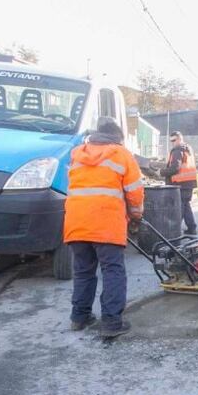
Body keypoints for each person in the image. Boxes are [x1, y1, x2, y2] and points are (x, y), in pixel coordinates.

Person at [63, 117, 144, 339]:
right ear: (118, 138)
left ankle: (79, 317)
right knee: (113, 270)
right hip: (106, 224)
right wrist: (136, 214)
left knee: (83, 271)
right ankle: (111, 322)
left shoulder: (78, 154)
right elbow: (135, 190)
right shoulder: (121, 154)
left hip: (76, 222)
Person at [160, 131, 198, 235]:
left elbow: (175, 168)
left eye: (174, 140)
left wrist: (161, 172)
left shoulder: (177, 150)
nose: (172, 142)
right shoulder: (187, 149)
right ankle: (192, 228)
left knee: (179, 208)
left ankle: (175, 230)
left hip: (180, 183)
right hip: (189, 183)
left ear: (180, 139)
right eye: (171, 140)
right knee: (185, 206)